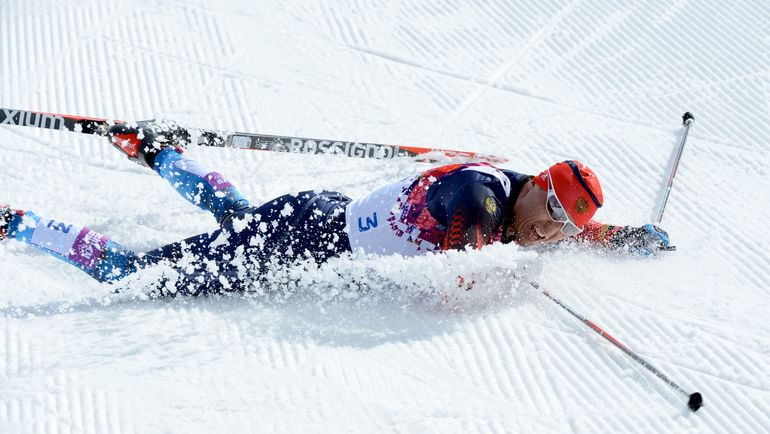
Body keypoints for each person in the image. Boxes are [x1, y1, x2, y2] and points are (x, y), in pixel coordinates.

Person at [0, 121, 671, 295]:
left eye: (564, 222)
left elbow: (552, 232)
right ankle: (17, 221)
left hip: (316, 219)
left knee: (238, 213)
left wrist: (619, 238)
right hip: (300, 239)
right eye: (550, 209)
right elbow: (455, 282)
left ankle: (159, 152)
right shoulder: (482, 201)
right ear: (533, 188)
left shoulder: (520, 197)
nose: (550, 229)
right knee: (134, 274)